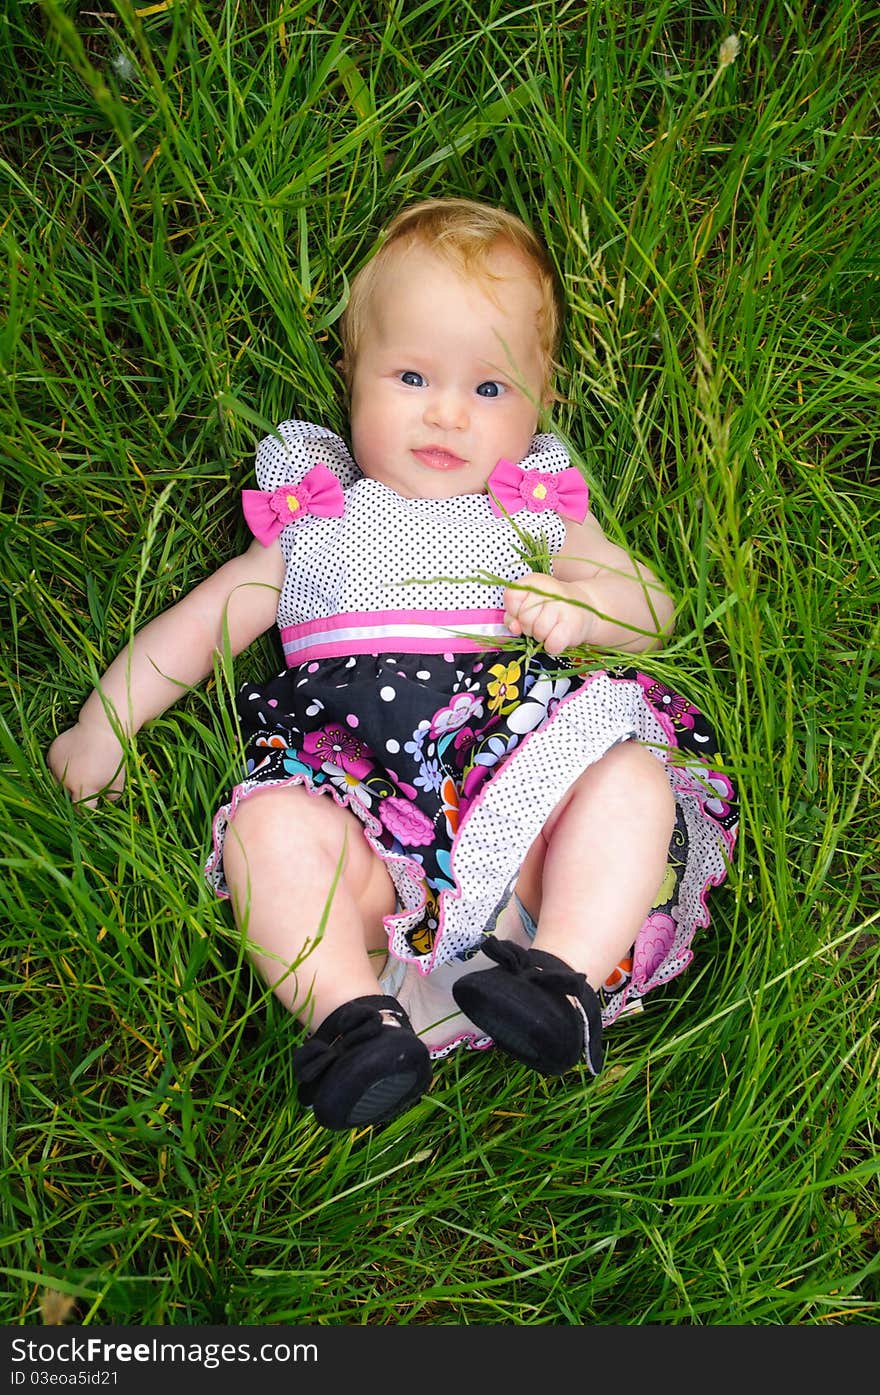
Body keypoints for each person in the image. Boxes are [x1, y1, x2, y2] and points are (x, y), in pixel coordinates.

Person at [49, 196, 738, 1132]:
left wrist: (585, 606)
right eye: (412, 375)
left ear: (542, 399)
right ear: (353, 375)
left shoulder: (531, 509)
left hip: (524, 815)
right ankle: (351, 1016)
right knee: (271, 833)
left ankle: (560, 979)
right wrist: (106, 719)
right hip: (364, 822)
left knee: (625, 778)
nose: (448, 413)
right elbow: (203, 622)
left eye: (489, 390)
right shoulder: (318, 521)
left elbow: (653, 608)